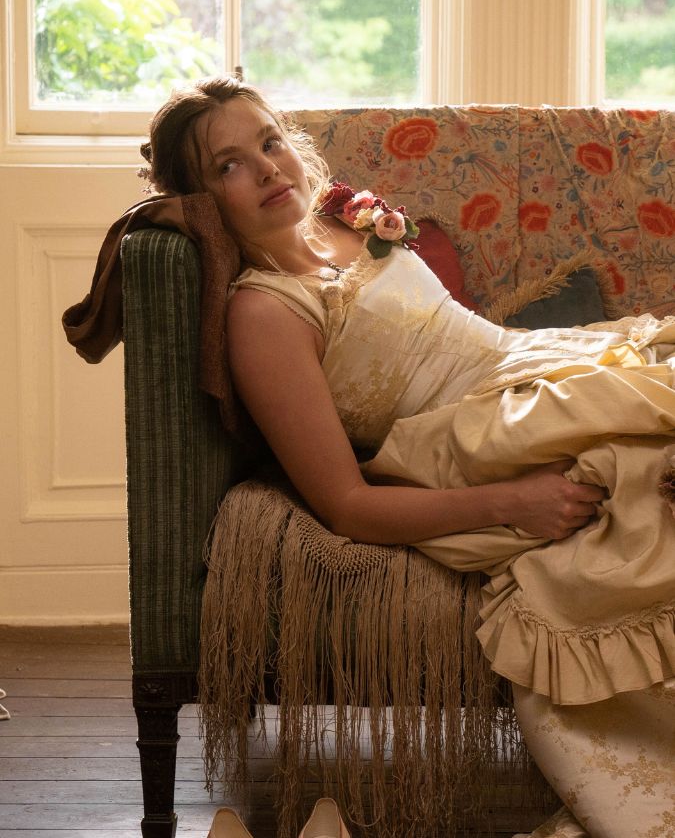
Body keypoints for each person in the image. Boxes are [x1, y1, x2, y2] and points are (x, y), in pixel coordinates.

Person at [142, 76, 675, 838]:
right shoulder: (263, 313)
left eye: (268, 141)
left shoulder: (343, 228)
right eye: (227, 165)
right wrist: (510, 503)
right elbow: (346, 504)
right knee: (640, 463)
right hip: (478, 435)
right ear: (201, 200)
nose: (266, 169)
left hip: (526, 363)